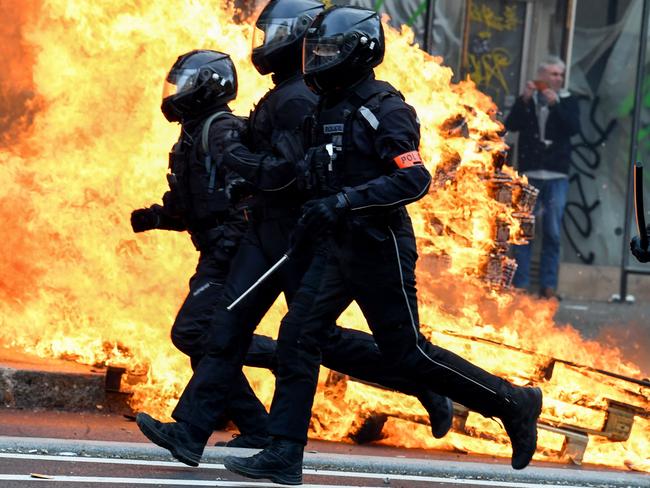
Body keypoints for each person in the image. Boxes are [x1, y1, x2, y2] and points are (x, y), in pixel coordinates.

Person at [223, 6, 543, 485]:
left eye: (330, 50)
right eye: (317, 50)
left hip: (379, 245)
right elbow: (315, 172)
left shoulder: (384, 107)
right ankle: (284, 454)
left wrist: (347, 201)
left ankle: (513, 404)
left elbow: (413, 178)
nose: (319, 59)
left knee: (407, 353)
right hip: (335, 245)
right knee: (299, 336)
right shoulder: (322, 106)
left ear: (360, 51)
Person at [135, 0, 454, 468]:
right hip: (267, 231)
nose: (265, 44)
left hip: (291, 235)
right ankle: (192, 431)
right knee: (229, 327)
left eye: (274, 33)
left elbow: (291, 173)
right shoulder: (288, 93)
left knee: (304, 339)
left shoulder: (301, 97)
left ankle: (418, 379)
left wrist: (236, 158)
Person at [130, 49, 277, 448]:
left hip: (235, 251)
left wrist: (235, 231)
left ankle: (288, 357)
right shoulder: (192, 135)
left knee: (195, 333)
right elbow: (195, 207)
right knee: (206, 342)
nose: (174, 93)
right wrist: (158, 217)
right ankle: (259, 429)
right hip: (216, 250)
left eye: (183, 85)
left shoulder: (222, 129)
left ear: (207, 87)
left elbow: (250, 185)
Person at [504, 56, 581, 299]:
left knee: (552, 232)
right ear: (542, 76)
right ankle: (521, 284)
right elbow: (511, 125)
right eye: (553, 74)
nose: (557, 78)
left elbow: (573, 128)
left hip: (556, 175)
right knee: (524, 230)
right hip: (530, 174)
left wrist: (557, 105)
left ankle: (548, 286)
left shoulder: (568, 100)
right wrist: (524, 100)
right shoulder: (530, 100)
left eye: (560, 75)